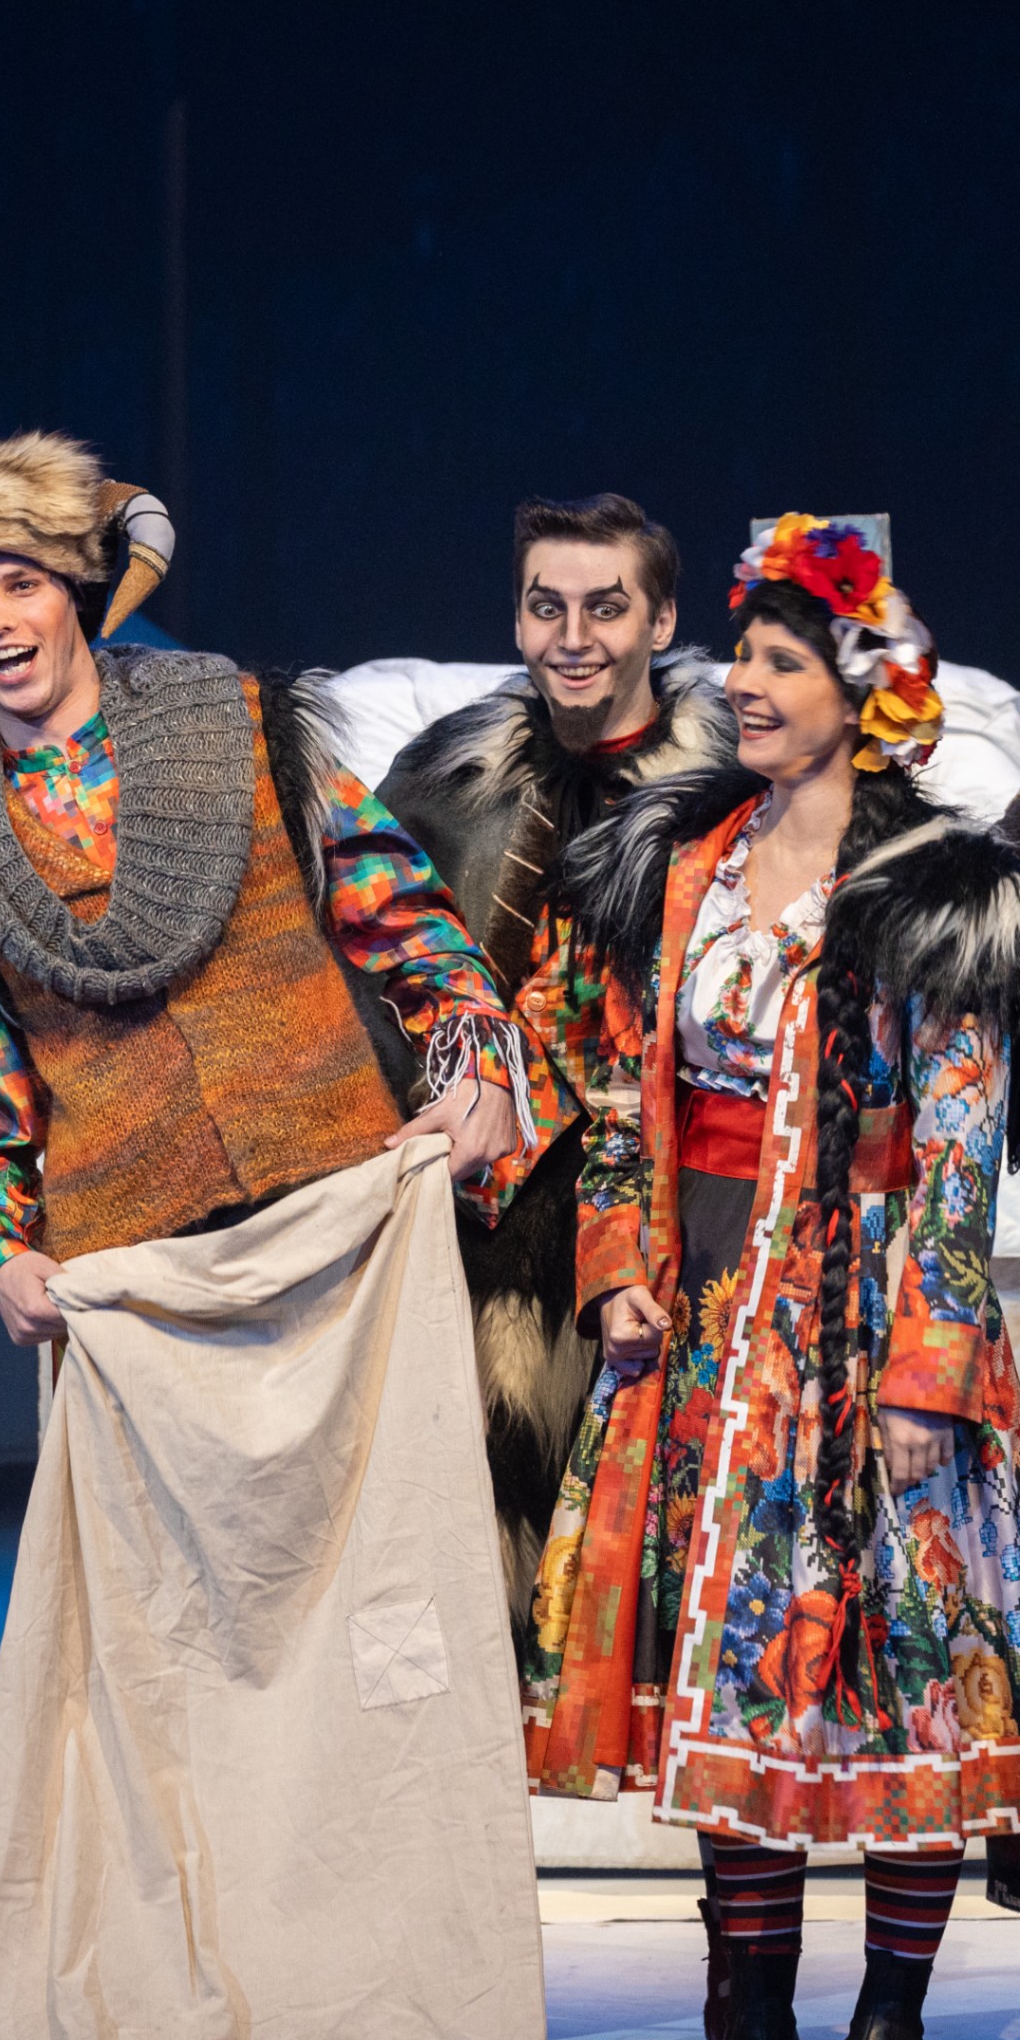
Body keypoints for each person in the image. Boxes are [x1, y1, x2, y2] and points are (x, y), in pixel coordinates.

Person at [0, 431, 551, 2040]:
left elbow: (390, 905)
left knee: (378, 1639)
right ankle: (180, 1998)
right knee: (167, 1675)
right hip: (140, 1283)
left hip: (331, 1217)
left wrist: (473, 1046)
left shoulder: (238, 722)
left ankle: (374, 2010)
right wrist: (2, 1239)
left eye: (16, 578)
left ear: (75, 588)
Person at [529, 517, 1020, 2040]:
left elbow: (960, 1143)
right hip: (707, 1313)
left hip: (867, 1313)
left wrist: (929, 1367)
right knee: (727, 1661)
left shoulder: (935, 890)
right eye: (745, 660)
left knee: (900, 1658)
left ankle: (889, 2029)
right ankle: (748, 2025)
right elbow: (614, 1090)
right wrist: (614, 1263)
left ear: (864, 691)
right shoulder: (678, 863)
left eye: (784, 662)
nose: (747, 687)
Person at [372, 494, 737, 1619]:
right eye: (547, 608)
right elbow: (366, 957)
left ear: (660, 621)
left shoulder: (735, 781)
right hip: (489, 1193)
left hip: (669, 1186)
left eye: (605, 608)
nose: (573, 638)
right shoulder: (446, 780)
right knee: (478, 1496)